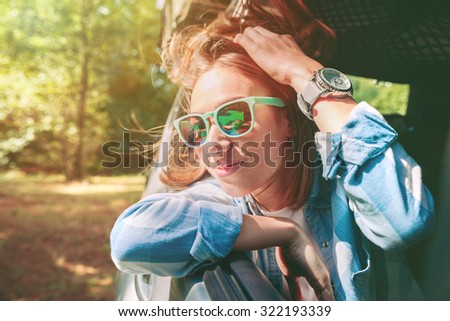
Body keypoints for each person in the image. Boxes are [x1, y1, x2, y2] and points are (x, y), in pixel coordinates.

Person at [110, 1, 435, 300]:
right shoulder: (219, 200)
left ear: (288, 120)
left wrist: (304, 73)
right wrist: (284, 233)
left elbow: (403, 221)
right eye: (197, 127)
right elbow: (129, 239)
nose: (211, 142)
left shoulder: (347, 189)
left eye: (234, 116)